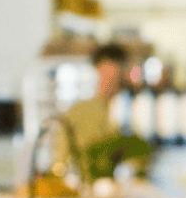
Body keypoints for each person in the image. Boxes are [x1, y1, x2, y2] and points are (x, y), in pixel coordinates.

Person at [51, 42, 151, 183]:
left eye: (115, 74)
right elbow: (60, 161)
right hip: (87, 193)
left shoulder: (137, 108)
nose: (110, 80)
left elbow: (143, 156)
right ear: (96, 71)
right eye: (106, 74)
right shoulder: (76, 113)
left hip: (126, 192)